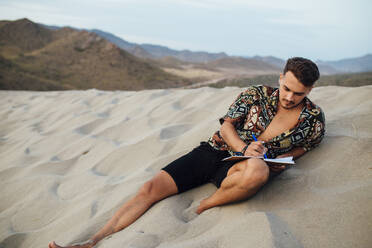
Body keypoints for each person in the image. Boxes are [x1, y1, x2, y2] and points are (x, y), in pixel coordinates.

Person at [49, 57, 325, 248]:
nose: (289, 97)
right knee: (149, 188)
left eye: (298, 94)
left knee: (257, 170)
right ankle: (93, 241)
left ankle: (204, 205)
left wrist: (282, 161)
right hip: (216, 150)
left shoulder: (313, 118)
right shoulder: (255, 94)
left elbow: (308, 145)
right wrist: (243, 148)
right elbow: (227, 125)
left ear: (310, 90)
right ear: (280, 78)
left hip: (243, 170)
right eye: (286, 88)